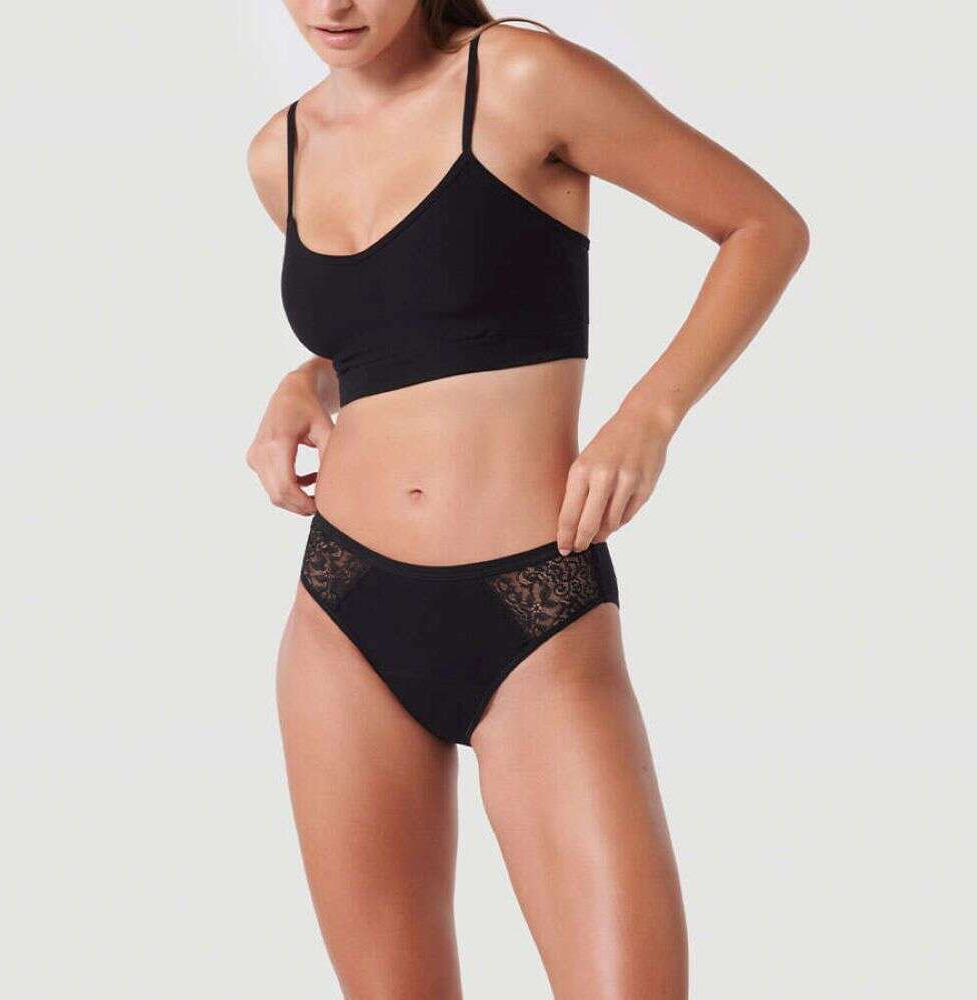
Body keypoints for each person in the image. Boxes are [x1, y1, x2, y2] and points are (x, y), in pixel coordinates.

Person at [245, 3, 808, 997]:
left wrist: (646, 416)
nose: (334, 7)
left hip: (534, 605)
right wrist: (309, 379)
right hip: (342, 614)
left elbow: (763, 227)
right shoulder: (277, 154)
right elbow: (398, 327)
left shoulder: (518, 79)